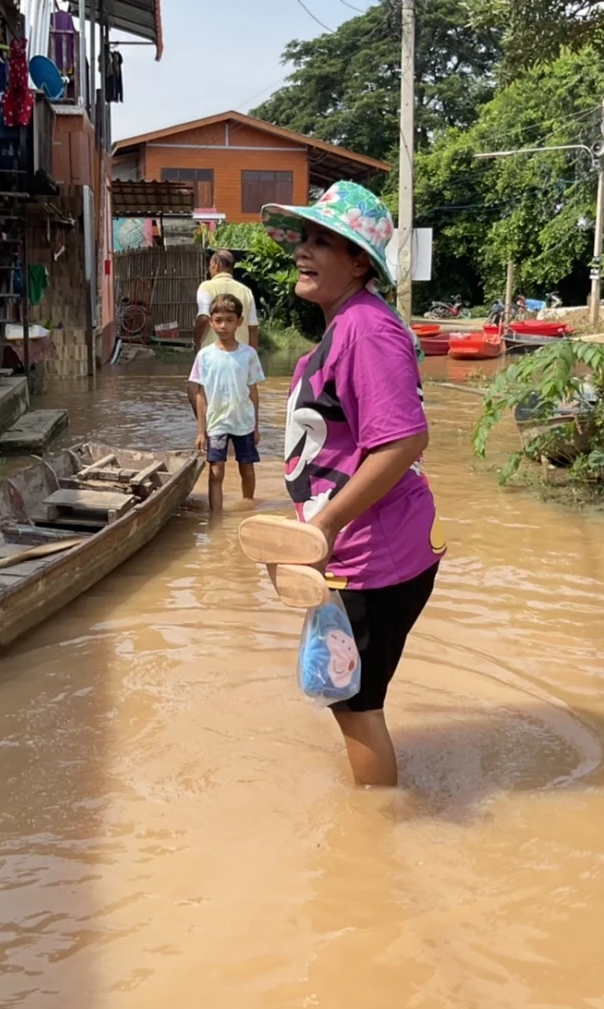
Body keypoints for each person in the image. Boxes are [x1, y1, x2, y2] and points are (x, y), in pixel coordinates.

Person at [238, 181, 446, 788]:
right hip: (348, 550)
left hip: (376, 556)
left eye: (323, 241)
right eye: (304, 238)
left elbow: (405, 441)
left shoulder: (367, 330)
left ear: (359, 261)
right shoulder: (342, 328)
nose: (304, 251)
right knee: (343, 694)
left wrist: (323, 526)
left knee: (356, 705)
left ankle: (375, 845)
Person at [189, 293, 265, 513]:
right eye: (218, 320)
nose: (224, 326)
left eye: (229, 320)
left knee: (247, 469)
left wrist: (256, 427)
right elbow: (200, 394)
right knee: (216, 472)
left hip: (243, 421)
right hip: (216, 422)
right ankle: (215, 518)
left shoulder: (248, 354)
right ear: (211, 322)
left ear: (239, 322)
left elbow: (253, 391)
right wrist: (201, 431)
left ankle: (248, 508)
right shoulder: (205, 356)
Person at [189, 250, 259, 420]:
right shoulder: (246, 291)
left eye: (210, 266)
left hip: (213, 353)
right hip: (240, 354)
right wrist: (251, 357)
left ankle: (205, 431)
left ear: (217, 265)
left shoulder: (206, 286)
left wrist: (196, 341)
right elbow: (253, 328)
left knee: (195, 391)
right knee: (239, 396)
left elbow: (204, 317)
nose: (209, 269)